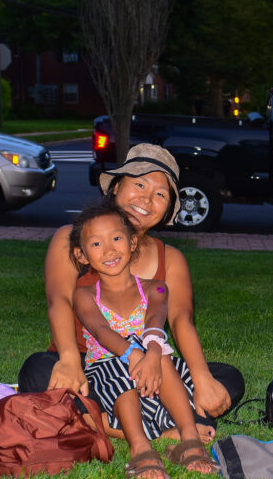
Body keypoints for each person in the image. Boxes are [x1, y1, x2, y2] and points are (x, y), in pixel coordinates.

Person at [17, 144, 244, 437]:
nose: (146, 199)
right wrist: (70, 359)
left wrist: (202, 380)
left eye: (160, 194)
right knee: (36, 372)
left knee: (228, 378)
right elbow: (58, 300)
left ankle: (107, 418)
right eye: (139, 184)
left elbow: (181, 320)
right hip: (90, 366)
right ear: (116, 187)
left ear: (167, 209)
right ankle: (157, 426)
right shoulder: (72, 239)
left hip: (153, 364)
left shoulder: (171, 259)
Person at [70, 201, 217, 478]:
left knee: (164, 358)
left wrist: (151, 353)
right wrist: (134, 355)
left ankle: (189, 439)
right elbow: (101, 331)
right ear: (82, 255)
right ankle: (141, 448)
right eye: (97, 244)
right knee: (118, 370)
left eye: (116, 238)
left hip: (155, 370)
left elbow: (156, 319)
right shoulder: (84, 295)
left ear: (132, 242)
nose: (109, 250)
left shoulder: (156, 287)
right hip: (107, 369)